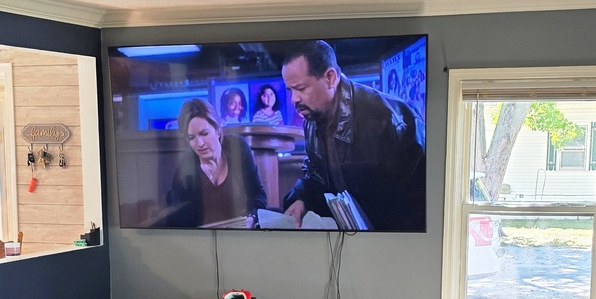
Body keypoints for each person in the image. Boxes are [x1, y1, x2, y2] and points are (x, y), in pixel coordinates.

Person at [280, 40, 424, 231]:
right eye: (290, 90)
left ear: (331, 77)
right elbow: (314, 172)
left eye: (301, 88)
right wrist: (301, 198)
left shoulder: (390, 119)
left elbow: (422, 202)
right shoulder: (312, 119)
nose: (293, 99)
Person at [162, 98, 267, 227]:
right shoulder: (186, 165)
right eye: (192, 137)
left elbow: (258, 195)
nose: (199, 143)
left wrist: (252, 218)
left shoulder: (238, 148)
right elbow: (177, 219)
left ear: (218, 130)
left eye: (204, 133)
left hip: (241, 235)